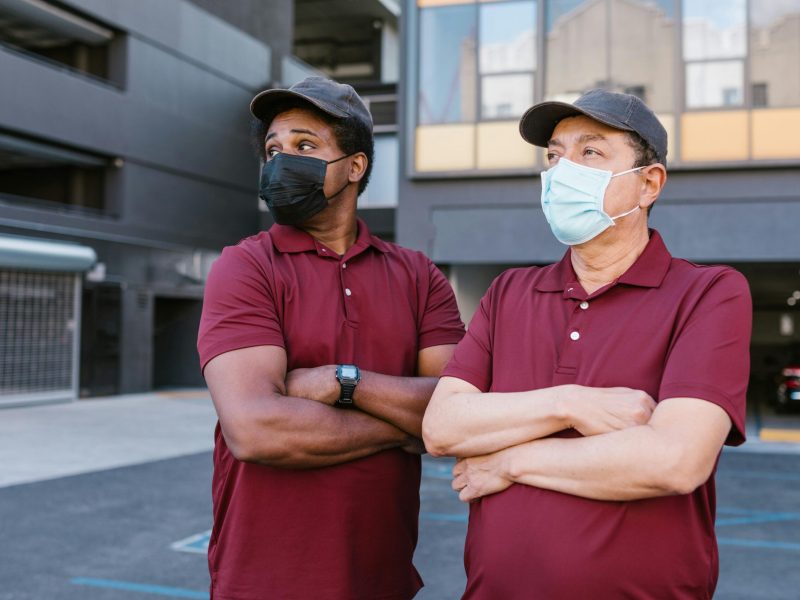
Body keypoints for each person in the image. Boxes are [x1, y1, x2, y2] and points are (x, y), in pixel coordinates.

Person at [422, 89, 752, 599]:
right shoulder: (510, 293)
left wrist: (508, 460)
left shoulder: (709, 293)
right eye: (554, 155)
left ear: (649, 184)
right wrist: (569, 402)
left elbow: (674, 459)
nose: (561, 171)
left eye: (590, 153)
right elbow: (443, 427)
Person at [197, 76, 465, 600]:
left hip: (382, 579)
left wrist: (346, 383)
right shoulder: (246, 267)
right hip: (263, 582)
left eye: (304, 146)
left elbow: (455, 412)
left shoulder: (417, 275)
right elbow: (256, 429)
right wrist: (404, 427)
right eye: (273, 149)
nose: (281, 162)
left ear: (355, 166)